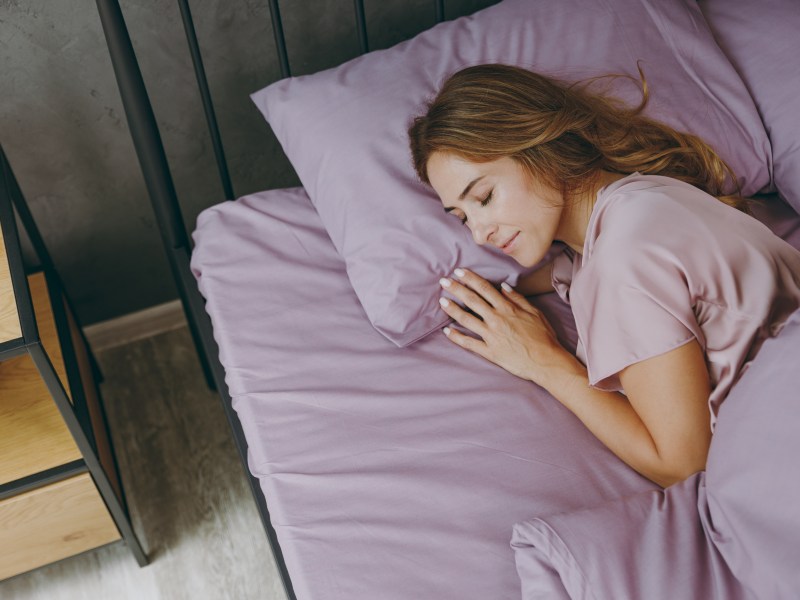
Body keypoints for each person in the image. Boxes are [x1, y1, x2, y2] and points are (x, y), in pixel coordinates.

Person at [408, 64, 800, 488]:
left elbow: (681, 464)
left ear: (539, 144)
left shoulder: (621, 260)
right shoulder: (646, 195)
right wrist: (509, 287)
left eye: (484, 197)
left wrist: (546, 363)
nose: (480, 233)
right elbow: (579, 270)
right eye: (462, 217)